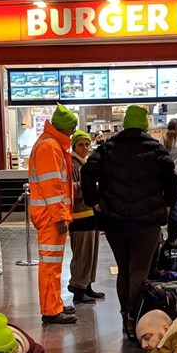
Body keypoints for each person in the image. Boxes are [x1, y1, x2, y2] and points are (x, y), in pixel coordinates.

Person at [82, 105, 177, 341]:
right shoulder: (156, 149)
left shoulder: (107, 148)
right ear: (145, 124)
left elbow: (87, 173)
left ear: (125, 123)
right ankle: (136, 319)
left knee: (124, 270)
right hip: (147, 223)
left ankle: (125, 315)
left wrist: (94, 201)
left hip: (115, 221)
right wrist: (167, 205)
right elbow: (172, 180)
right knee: (139, 272)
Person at [28, 104, 77, 325]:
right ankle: (50, 310)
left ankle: (54, 304)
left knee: (53, 265)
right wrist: (60, 217)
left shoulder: (50, 144)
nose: (73, 132)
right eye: (73, 127)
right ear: (65, 127)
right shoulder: (50, 147)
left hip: (49, 214)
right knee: (50, 265)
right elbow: (53, 187)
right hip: (50, 216)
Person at [67, 129, 104, 306]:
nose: (85, 148)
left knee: (91, 253)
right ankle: (78, 288)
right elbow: (70, 188)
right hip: (78, 215)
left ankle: (87, 285)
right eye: (81, 144)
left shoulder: (85, 163)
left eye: (87, 144)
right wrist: (89, 186)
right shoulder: (72, 164)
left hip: (90, 213)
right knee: (82, 254)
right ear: (74, 146)